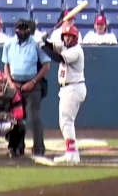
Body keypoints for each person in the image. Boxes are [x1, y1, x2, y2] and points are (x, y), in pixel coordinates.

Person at [3, 19, 52, 157]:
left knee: (33, 117)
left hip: (33, 84)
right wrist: (11, 83)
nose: (22, 32)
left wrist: (34, 81)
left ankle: (38, 148)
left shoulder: (37, 44)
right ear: (16, 30)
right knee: (16, 117)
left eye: (25, 30)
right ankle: (16, 147)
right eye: (20, 30)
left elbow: (46, 66)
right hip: (15, 84)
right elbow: (6, 65)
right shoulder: (9, 44)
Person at [40, 25, 86, 164]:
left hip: (73, 87)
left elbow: (57, 57)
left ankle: (71, 153)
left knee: (66, 122)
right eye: (65, 36)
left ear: (75, 38)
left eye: (69, 36)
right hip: (69, 88)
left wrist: (42, 45)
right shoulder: (65, 46)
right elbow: (52, 46)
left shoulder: (76, 51)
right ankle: (73, 153)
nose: (67, 38)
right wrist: (44, 40)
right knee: (66, 121)